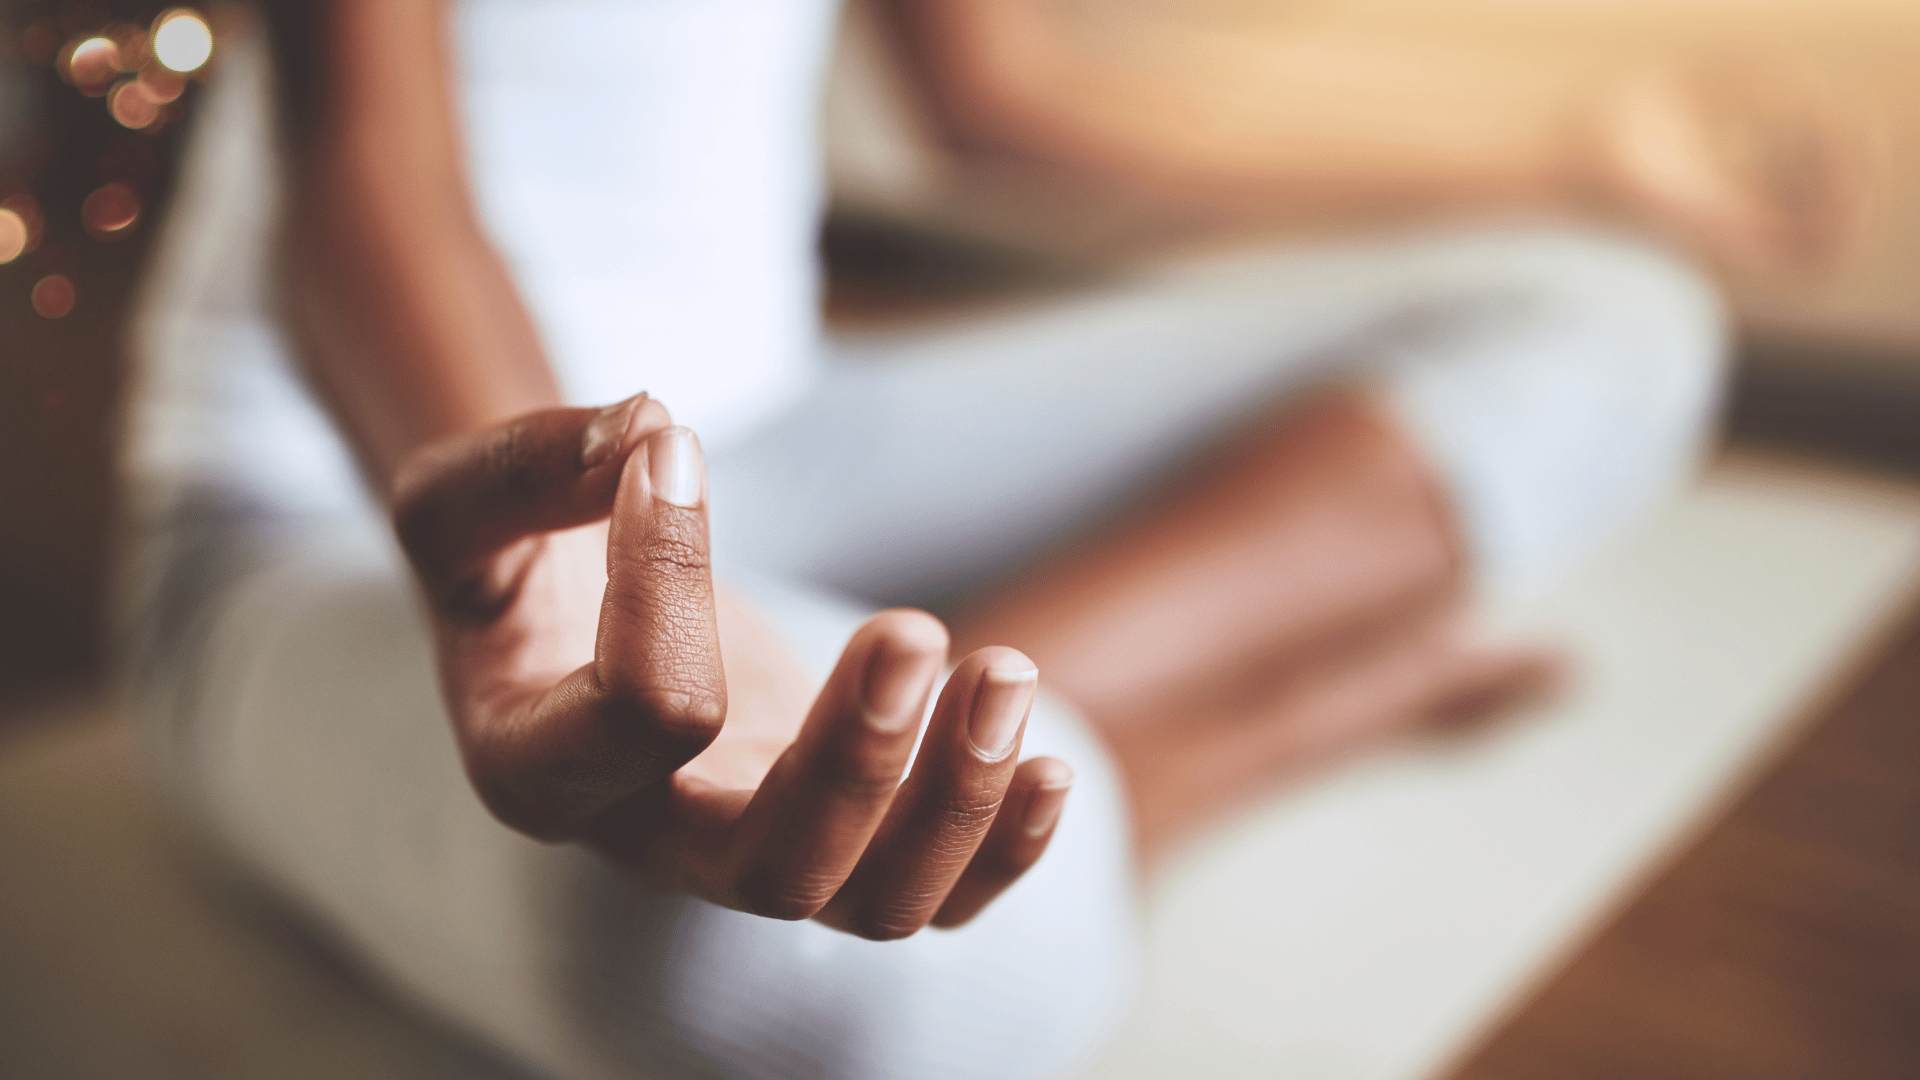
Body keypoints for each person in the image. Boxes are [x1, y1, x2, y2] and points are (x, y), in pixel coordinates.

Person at [120, 1, 1734, 1077]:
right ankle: (1230, 732)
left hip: (797, 432)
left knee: (1611, 319)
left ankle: (1011, 738)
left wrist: (1563, 161)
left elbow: (1006, 96)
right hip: (345, 506)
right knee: (824, 983)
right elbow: (370, 167)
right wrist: (570, 568)